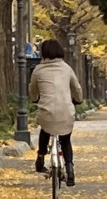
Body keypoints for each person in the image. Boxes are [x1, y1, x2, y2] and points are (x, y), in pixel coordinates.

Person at [30, 39, 82, 184]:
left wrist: (34, 99)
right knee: (65, 140)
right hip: (66, 109)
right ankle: (70, 168)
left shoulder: (38, 70)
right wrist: (78, 99)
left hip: (46, 111)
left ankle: (40, 157)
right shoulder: (67, 69)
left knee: (45, 131)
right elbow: (77, 88)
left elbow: (32, 90)